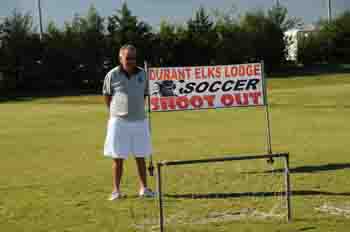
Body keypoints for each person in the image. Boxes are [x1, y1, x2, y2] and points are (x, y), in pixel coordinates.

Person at [102, 44, 155, 200]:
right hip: (119, 122)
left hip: (139, 121)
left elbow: (144, 94)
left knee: (141, 156)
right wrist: (115, 112)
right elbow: (107, 95)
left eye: (133, 58)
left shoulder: (143, 74)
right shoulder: (112, 75)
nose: (131, 61)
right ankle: (116, 191)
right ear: (120, 58)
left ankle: (144, 189)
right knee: (118, 158)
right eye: (127, 58)